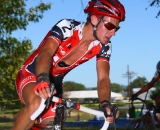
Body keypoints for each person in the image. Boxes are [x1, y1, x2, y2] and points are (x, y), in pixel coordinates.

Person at [12, 0, 125, 129]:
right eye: (110, 26)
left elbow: (103, 78)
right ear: (94, 19)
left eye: (117, 28)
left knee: (53, 125)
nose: (114, 33)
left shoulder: (104, 46)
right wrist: (42, 78)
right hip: (33, 72)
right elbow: (46, 52)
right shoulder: (67, 27)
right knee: (37, 104)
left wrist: (105, 103)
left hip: (55, 82)